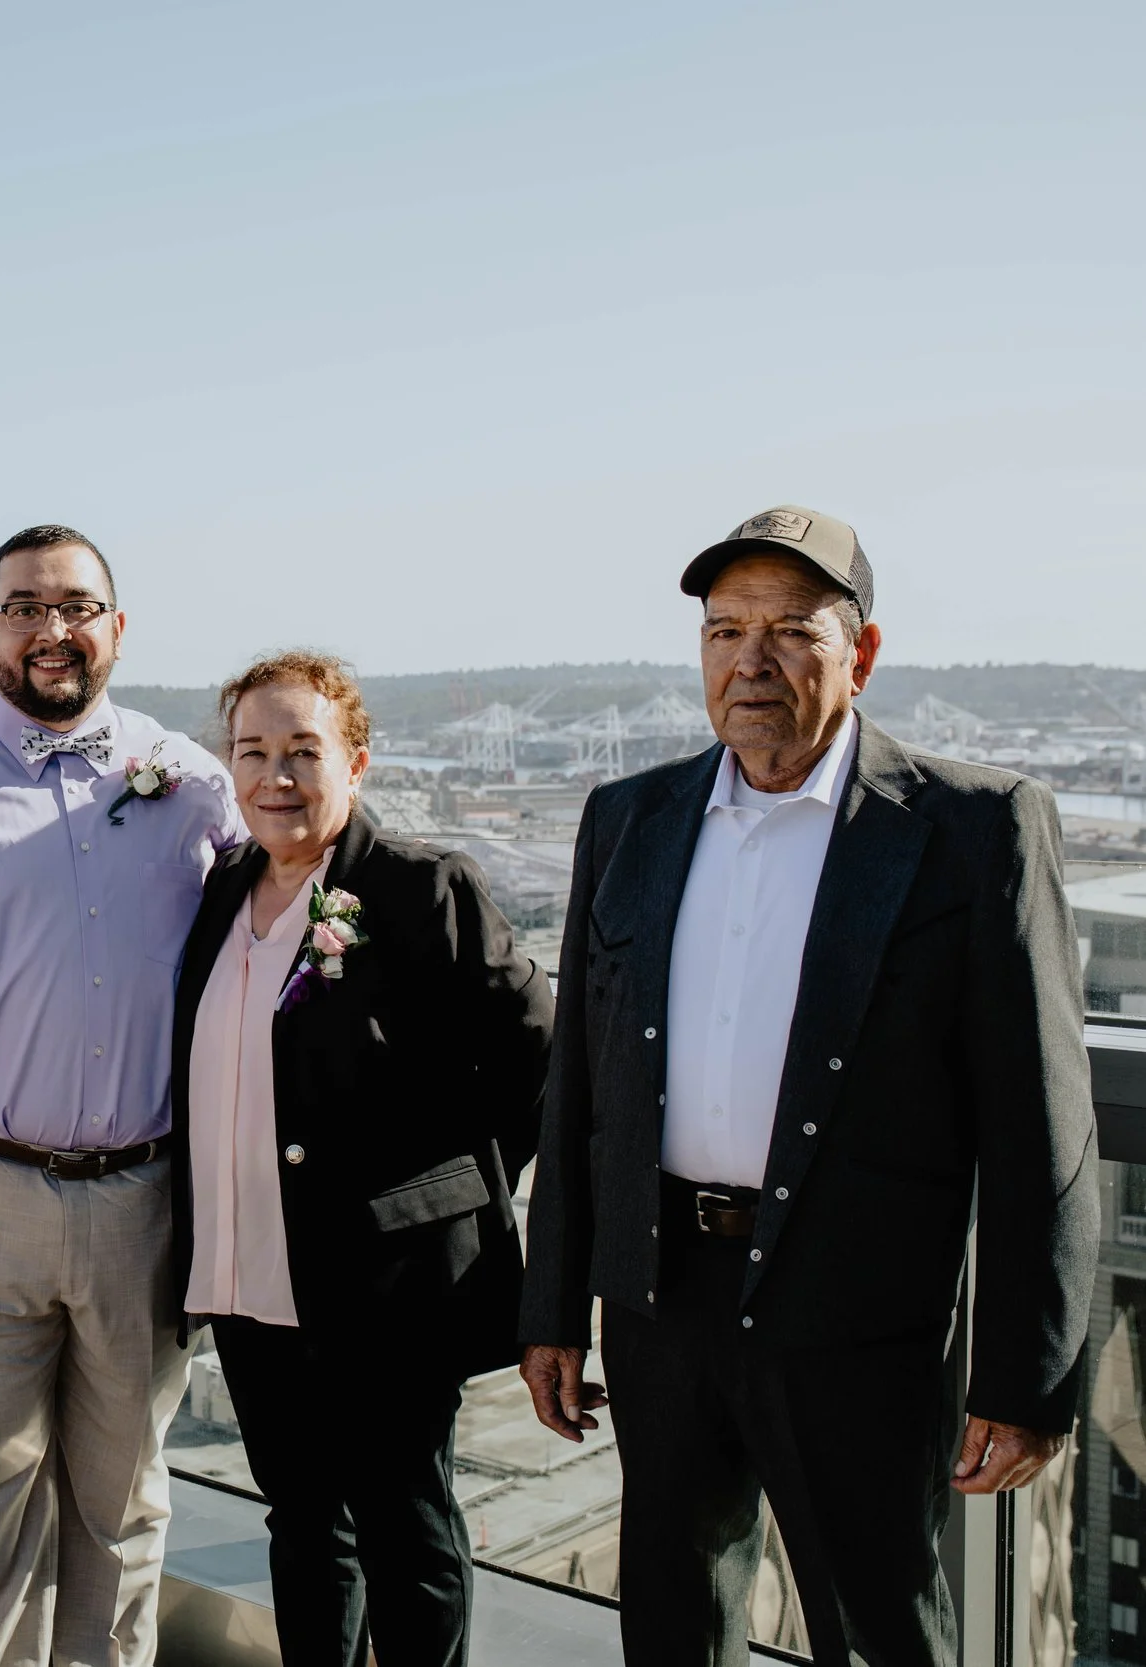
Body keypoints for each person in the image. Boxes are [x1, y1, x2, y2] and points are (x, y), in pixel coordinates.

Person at [518, 506, 1098, 1663]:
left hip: (857, 1313)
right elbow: (582, 1089)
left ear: (860, 655)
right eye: (724, 630)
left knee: (876, 1626)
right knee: (672, 1624)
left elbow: (1040, 1120)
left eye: (791, 630)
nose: (750, 660)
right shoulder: (627, 819)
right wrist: (553, 1307)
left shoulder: (973, 829)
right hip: (659, 1299)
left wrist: (1031, 1374)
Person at [0, 524, 243, 1667]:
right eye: (23, 606)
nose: (51, 628)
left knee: (124, 1493)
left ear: (116, 629)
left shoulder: (194, 787)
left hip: (143, 1197)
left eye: (75, 605)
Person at [170, 652, 552, 1666]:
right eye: (251, 752)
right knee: (300, 1521)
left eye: (303, 751)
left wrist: (442, 1194)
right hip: (250, 1273)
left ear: (357, 761)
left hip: (389, 1288)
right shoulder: (221, 897)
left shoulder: (422, 889)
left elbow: (539, 1064)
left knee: (403, 1529)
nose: (275, 776)